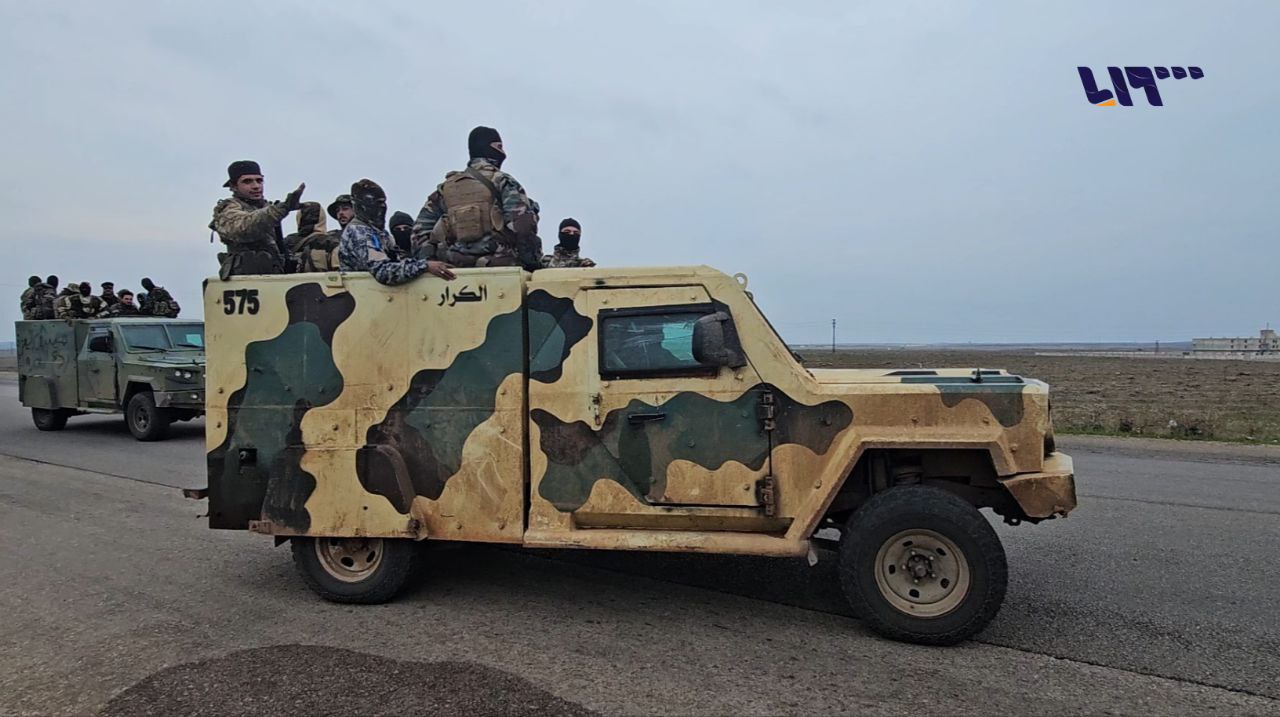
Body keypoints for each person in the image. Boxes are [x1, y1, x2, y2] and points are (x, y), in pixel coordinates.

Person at [411, 126, 542, 270]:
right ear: (490, 147)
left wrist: (430, 264)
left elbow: (419, 232)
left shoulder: (446, 188)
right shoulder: (502, 181)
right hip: (501, 267)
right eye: (500, 147)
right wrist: (531, 263)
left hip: (454, 271)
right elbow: (522, 225)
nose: (503, 153)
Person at [339, 179, 455, 285]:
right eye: (376, 203)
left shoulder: (380, 233)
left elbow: (399, 262)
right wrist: (425, 266)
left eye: (383, 202)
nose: (382, 207)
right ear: (361, 206)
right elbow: (382, 272)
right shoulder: (358, 232)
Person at [210, 160, 303, 278]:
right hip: (246, 282)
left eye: (259, 180)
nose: (256, 186)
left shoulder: (267, 208)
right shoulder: (228, 208)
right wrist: (280, 209)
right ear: (233, 186)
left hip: (272, 277)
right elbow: (243, 228)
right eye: (247, 181)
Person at [285, 202, 340, 272]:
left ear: (298, 218)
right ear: (322, 218)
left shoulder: (287, 242)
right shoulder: (330, 243)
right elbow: (339, 272)